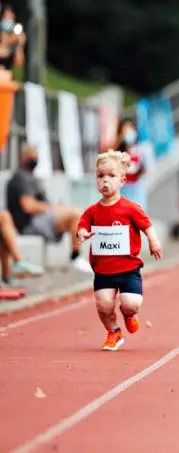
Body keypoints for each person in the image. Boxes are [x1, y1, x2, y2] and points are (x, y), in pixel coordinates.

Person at [76, 151, 163, 351]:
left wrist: (154, 242)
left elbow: (147, 226)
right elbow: (82, 226)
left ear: (122, 181)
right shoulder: (92, 211)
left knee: (131, 303)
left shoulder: (130, 208)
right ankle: (113, 332)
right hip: (103, 270)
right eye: (100, 176)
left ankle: (129, 314)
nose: (105, 181)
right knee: (104, 306)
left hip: (128, 269)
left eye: (111, 176)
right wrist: (81, 233)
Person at [6, 145, 89, 272]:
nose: (35, 158)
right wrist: (51, 208)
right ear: (23, 156)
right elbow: (28, 206)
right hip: (29, 223)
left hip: (40, 219)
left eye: (37, 155)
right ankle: (75, 257)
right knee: (75, 214)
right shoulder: (20, 178)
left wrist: (55, 208)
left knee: (76, 212)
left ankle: (76, 256)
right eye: (32, 155)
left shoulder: (32, 177)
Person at [114, 118, 148, 209]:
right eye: (126, 130)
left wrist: (139, 170)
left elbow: (146, 168)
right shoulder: (117, 152)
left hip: (136, 192)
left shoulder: (140, 150)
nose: (128, 133)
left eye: (130, 129)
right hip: (122, 193)